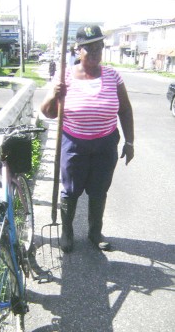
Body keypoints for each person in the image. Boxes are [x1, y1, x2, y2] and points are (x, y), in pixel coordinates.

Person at [40, 24, 134, 253]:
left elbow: (125, 110)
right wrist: (55, 93)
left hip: (106, 143)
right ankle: (67, 231)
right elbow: (48, 112)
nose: (94, 53)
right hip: (74, 143)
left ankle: (94, 232)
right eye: (88, 48)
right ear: (77, 49)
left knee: (99, 190)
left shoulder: (113, 75)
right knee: (71, 191)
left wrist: (130, 142)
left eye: (98, 48)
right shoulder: (64, 76)